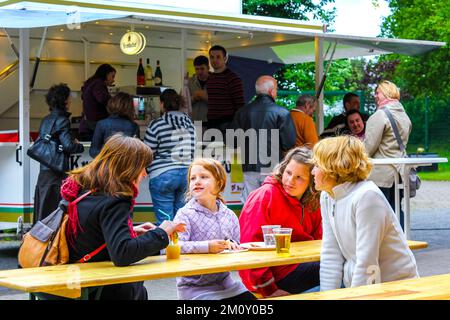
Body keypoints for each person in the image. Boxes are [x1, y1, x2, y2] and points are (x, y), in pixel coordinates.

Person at [62, 133, 185, 300]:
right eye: (142, 167)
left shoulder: (83, 189)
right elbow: (122, 254)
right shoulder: (115, 199)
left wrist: (130, 231)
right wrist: (162, 232)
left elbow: (89, 233)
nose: (145, 174)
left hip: (71, 279)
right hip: (97, 290)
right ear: (128, 168)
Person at [311, 135, 418, 291]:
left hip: (396, 287)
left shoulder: (367, 197)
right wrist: (326, 296)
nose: (313, 171)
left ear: (332, 168)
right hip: (359, 284)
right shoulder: (328, 196)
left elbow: (367, 263)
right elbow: (330, 254)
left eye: (317, 165)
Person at [238, 147, 322, 298]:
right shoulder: (265, 196)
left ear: (311, 182)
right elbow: (249, 248)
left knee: (342, 269)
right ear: (283, 169)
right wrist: (269, 289)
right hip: (275, 276)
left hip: (302, 264)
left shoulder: (313, 200)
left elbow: (320, 241)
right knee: (341, 272)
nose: (290, 181)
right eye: (288, 173)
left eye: (299, 177)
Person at [173, 158, 256, 300]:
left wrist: (234, 247)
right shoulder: (184, 214)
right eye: (193, 178)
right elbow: (175, 246)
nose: (197, 181)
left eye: (204, 177)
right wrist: (207, 246)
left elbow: (236, 246)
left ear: (219, 183)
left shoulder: (229, 215)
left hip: (226, 283)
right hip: (194, 288)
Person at [232, 75, 296, 202]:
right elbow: (289, 142)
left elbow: (233, 141)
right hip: (273, 167)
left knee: (251, 204)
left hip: (248, 167)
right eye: (276, 89)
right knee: (272, 203)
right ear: (271, 91)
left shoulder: (241, 113)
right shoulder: (282, 113)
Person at [32, 84, 84, 224]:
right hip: (57, 174)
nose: (71, 101)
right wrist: (79, 146)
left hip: (44, 172)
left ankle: (39, 243)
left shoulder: (46, 119)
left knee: (43, 213)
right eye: (69, 98)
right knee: (56, 215)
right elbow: (68, 145)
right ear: (65, 101)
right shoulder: (62, 120)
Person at [144, 89, 196, 224]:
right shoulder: (190, 124)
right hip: (186, 174)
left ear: (162, 104)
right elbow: (193, 148)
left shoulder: (156, 124)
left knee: (165, 222)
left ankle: (165, 245)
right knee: (181, 222)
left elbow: (147, 152)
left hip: (162, 175)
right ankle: (181, 245)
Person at [364, 80, 412, 228]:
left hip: (381, 174)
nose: (375, 96)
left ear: (385, 93)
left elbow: (368, 148)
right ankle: (403, 244)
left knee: (377, 213)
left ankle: (381, 248)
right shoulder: (404, 116)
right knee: (397, 211)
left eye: (377, 92)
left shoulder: (380, 115)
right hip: (399, 173)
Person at [206, 45, 245, 132]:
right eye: (212, 57)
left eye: (218, 57)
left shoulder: (233, 78)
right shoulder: (210, 78)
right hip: (212, 122)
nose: (214, 60)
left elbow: (240, 105)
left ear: (225, 58)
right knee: (211, 146)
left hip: (228, 123)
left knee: (228, 146)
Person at [89, 92, 139, 158]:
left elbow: (93, 151)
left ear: (112, 104)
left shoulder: (101, 124)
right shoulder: (134, 126)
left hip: (106, 165)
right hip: (125, 166)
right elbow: (136, 152)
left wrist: (108, 156)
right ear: (130, 107)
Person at [79, 64, 116, 141]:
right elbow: (103, 99)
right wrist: (116, 102)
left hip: (86, 127)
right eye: (112, 76)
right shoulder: (98, 84)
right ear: (106, 74)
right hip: (93, 127)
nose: (113, 80)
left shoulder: (91, 83)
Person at [187, 55, 210, 122]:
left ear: (208, 68)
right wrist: (194, 98)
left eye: (202, 69)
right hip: (193, 122)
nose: (199, 72)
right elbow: (182, 103)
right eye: (197, 69)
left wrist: (206, 97)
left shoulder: (216, 82)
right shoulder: (189, 82)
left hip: (211, 123)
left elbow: (221, 104)